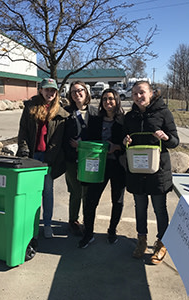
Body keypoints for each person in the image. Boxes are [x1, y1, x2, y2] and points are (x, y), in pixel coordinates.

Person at [123, 80, 179, 264]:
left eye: (142, 92)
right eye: (135, 94)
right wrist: (126, 141)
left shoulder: (163, 113)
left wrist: (166, 136)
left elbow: (175, 142)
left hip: (158, 171)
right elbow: (124, 138)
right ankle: (141, 241)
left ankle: (162, 243)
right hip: (137, 170)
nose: (138, 97)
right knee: (140, 208)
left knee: (160, 209)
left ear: (151, 93)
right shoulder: (130, 117)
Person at [17, 78, 69, 239]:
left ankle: (47, 224)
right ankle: (28, 224)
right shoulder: (30, 108)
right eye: (47, 90)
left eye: (53, 90)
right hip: (31, 156)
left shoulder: (60, 113)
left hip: (47, 158)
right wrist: (24, 150)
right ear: (41, 90)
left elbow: (57, 141)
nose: (50, 93)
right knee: (29, 192)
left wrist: (49, 159)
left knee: (47, 192)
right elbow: (23, 131)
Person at [78, 88, 126, 248]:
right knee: (91, 200)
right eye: (105, 99)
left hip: (118, 165)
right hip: (98, 165)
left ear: (117, 100)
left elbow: (129, 146)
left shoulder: (123, 121)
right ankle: (88, 233)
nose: (107, 102)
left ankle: (112, 230)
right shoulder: (95, 120)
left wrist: (118, 147)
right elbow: (89, 140)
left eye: (111, 99)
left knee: (117, 200)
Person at [63, 81, 98, 236]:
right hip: (71, 159)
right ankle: (73, 220)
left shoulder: (95, 112)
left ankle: (87, 221)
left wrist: (83, 146)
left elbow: (98, 135)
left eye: (80, 90)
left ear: (86, 92)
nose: (77, 93)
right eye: (73, 91)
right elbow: (60, 136)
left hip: (89, 158)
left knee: (87, 192)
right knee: (75, 191)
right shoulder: (66, 112)